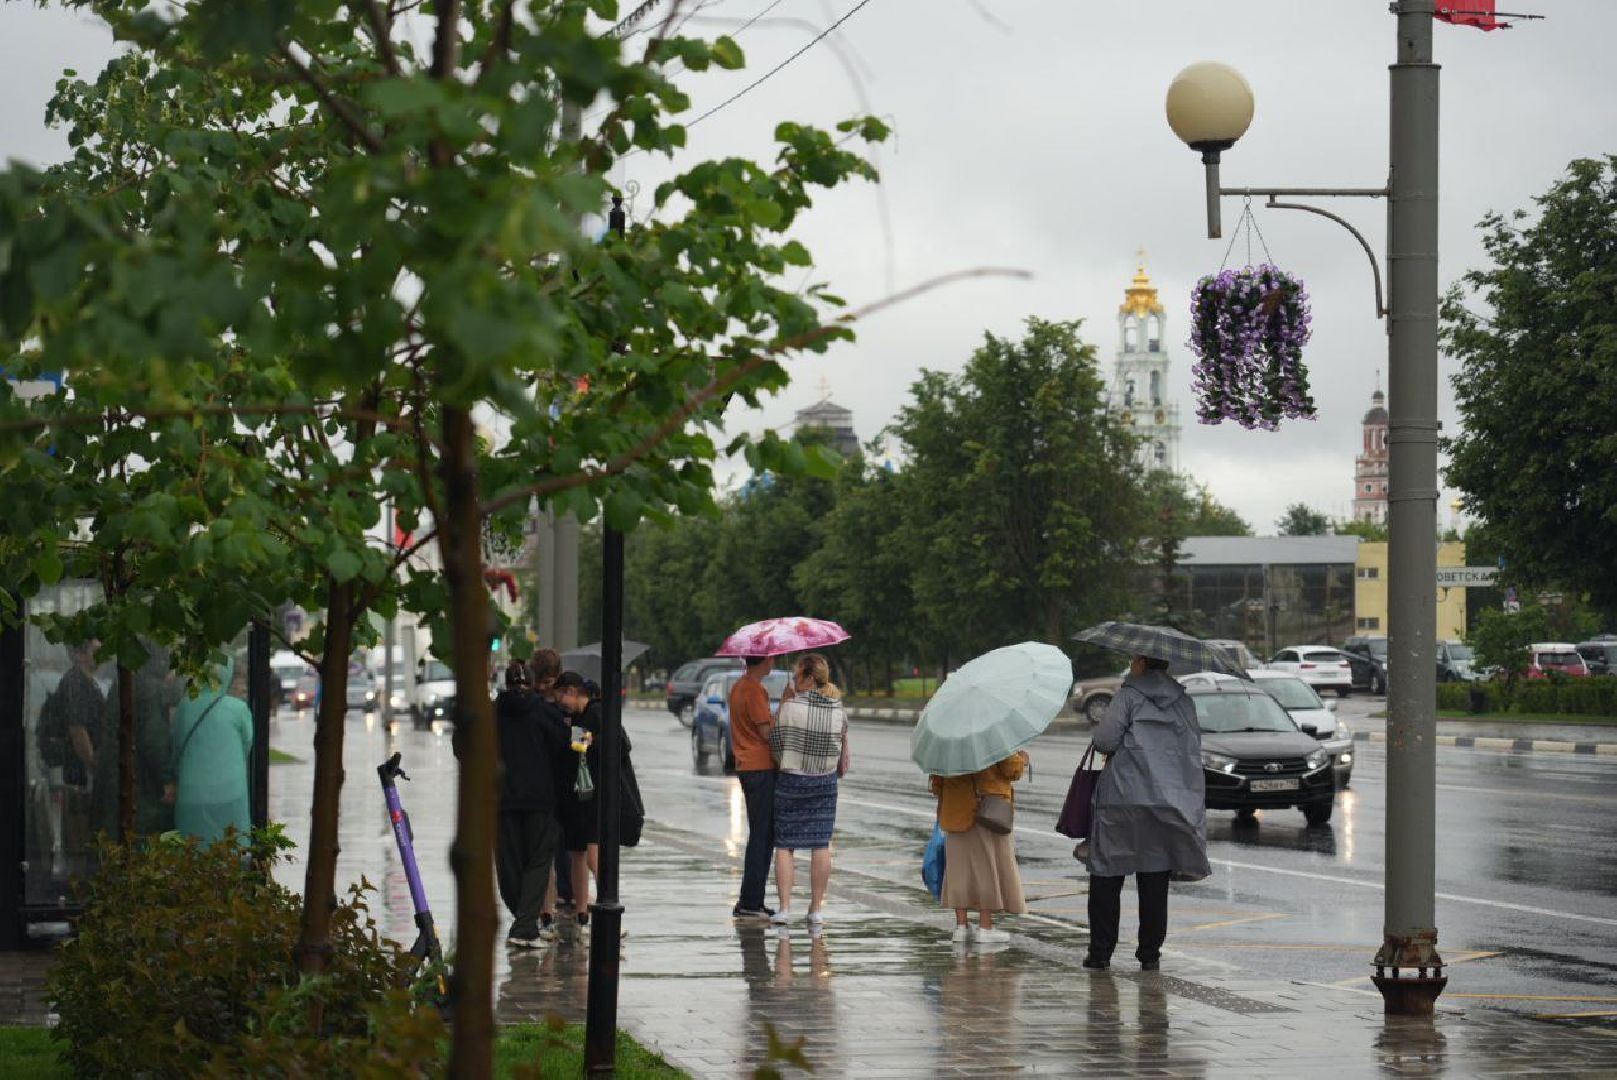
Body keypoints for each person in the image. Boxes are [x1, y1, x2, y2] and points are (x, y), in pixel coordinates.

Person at [1084, 654, 1211, 972]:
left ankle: (1100, 953)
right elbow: (1191, 748)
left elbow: (1104, 740)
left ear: (1142, 663)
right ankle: (1149, 954)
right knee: (1155, 876)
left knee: (1106, 874)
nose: (1130, 664)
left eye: (1134, 660)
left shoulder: (1128, 695)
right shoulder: (1184, 702)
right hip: (1168, 800)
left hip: (1123, 799)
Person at [768, 653, 848, 930]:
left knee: (785, 845)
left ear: (809, 677)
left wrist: (783, 703)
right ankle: (815, 910)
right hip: (825, 782)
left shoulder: (790, 708)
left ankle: (784, 908)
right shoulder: (837, 709)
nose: (792, 679)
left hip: (792, 781)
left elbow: (775, 745)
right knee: (820, 843)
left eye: (795, 675)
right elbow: (843, 757)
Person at [494, 660, 568, 948]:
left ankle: (523, 920)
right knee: (538, 862)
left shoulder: (491, 713)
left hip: (502, 798)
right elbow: (564, 748)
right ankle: (525, 926)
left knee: (509, 865)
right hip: (541, 798)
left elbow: (463, 746)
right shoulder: (545, 712)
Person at [929, 749, 1029, 944]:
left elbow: (936, 783)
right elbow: (1011, 770)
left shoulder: (947, 740)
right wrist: (1022, 760)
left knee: (958, 872)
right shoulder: (992, 736)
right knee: (987, 870)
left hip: (955, 811)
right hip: (987, 812)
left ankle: (961, 927)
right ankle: (985, 927)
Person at [172, 655, 254, 844]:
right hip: (231, 793)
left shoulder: (185, 705)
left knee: (195, 852)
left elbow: (176, 744)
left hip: (190, 795)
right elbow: (246, 744)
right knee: (232, 851)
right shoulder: (238, 709)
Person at [728, 654, 778, 920]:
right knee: (762, 835)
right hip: (760, 766)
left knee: (760, 834)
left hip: (747, 766)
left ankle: (753, 899)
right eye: (771, 658)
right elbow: (765, 733)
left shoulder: (739, 686)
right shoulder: (754, 689)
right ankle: (750, 901)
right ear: (764, 660)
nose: (775, 661)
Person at [553, 671, 600, 938]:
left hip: (591, 795)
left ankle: (606, 907)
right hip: (578, 796)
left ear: (572, 691)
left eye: (562, 697)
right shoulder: (579, 718)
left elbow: (615, 747)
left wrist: (590, 742)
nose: (561, 703)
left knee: (591, 856)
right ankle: (582, 912)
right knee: (577, 854)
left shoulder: (595, 713)